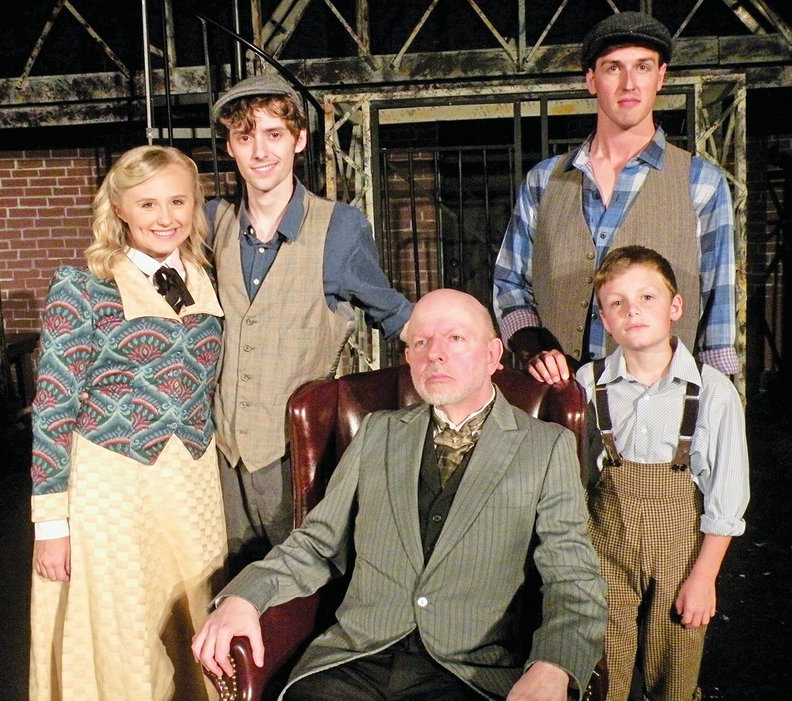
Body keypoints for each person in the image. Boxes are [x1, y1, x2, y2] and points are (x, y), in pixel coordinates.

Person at [192, 288, 607, 701]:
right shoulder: (377, 433)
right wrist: (245, 597)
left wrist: (553, 666)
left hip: (468, 674)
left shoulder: (544, 446)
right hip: (354, 662)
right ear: (408, 358)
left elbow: (571, 578)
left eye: (455, 338)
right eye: (421, 342)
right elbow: (316, 545)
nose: (435, 353)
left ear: (493, 355)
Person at [29, 145, 227, 701]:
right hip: (112, 485)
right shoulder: (82, 285)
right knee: (126, 629)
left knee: (198, 618)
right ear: (119, 209)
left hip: (192, 479)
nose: (166, 217)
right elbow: (53, 406)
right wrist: (51, 524)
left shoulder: (204, 278)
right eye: (147, 204)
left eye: (178, 201)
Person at [207, 72, 412, 572]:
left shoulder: (339, 227)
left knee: (300, 591)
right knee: (222, 593)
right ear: (231, 147)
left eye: (274, 134)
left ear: (299, 139)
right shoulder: (211, 221)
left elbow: (396, 316)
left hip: (296, 457)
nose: (260, 151)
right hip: (219, 459)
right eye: (245, 136)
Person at [493, 11, 738, 384]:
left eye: (642, 67)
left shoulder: (699, 182)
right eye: (612, 69)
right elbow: (509, 282)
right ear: (591, 80)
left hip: (659, 400)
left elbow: (718, 302)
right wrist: (533, 343)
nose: (629, 84)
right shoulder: (544, 181)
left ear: (661, 77)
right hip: (559, 397)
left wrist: (715, 402)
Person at [574, 246, 749, 701]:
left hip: (682, 556)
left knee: (675, 666)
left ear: (675, 307)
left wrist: (704, 577)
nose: (632, 310)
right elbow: (568, 479)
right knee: (601, 668)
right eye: (617, 303)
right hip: (604, 553)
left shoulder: (713, 393)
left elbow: (726, 498)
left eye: (647, 297)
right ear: (604, 320)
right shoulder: (585, 385)